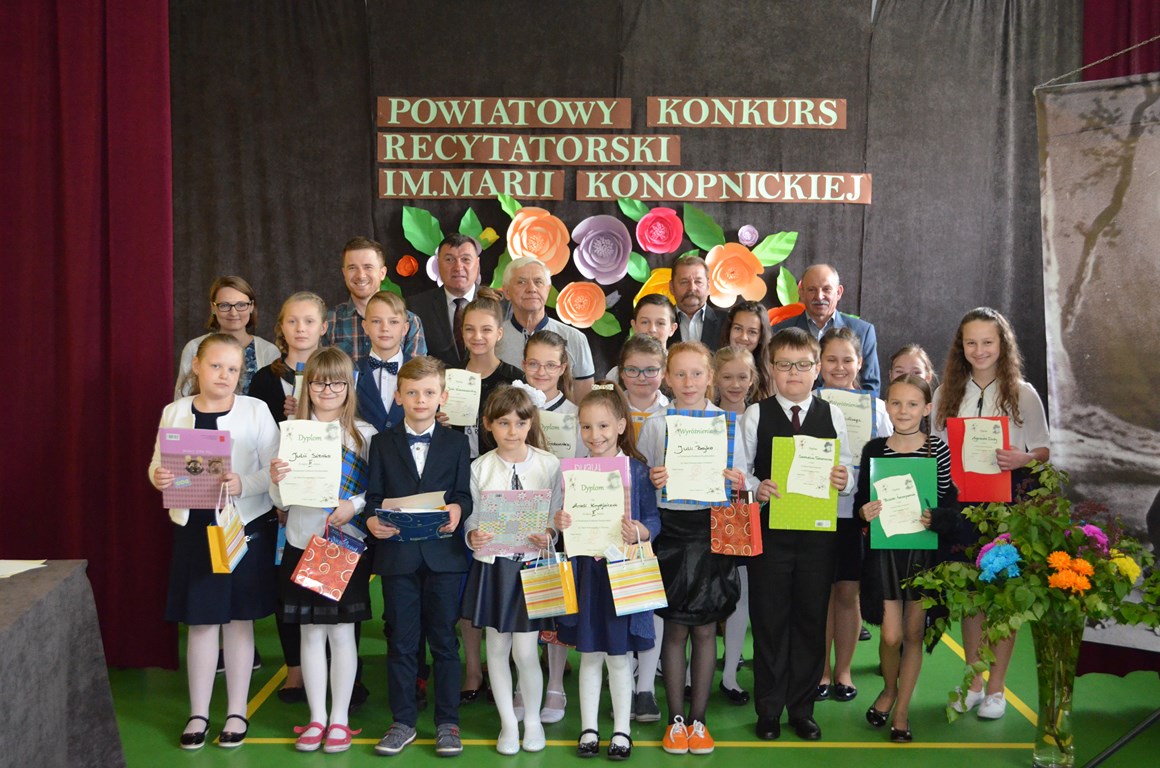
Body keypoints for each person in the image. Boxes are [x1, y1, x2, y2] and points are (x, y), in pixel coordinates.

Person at [149, 333, 279, 750]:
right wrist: (159, 477)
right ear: (196, 366)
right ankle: (198, 713)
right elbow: (158, 465)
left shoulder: (255, 410)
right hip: (194, 529)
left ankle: (237, 710)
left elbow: (275, 470)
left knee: (239, 620)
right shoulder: (174, 411)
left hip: (242, 528)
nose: (224, 375)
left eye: (233, 369)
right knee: (202, 621)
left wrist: (245, 483)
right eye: (216, 366)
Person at [733, 327, 854, 742]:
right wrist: (756, 487)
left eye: (803, 365)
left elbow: (848, 470)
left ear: (817, 369)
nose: (794, 373)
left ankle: (802, 709)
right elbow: (740, 472)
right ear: (771, 368)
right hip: (770, 535)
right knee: (768, 621)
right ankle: (768, 709)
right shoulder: (756, 414)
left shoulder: (832, 414)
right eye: (784, 365)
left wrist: (844, 479)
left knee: (810, 620)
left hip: (818, 537)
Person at [931, 307, 1050, 720]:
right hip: (963, 506)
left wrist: (1023, 458)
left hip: (1008, 505)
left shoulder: (1023, 392)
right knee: (970, 597)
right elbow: (935, 447)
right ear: (960, 347)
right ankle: (974, 683)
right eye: (971, 342)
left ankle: (997, 689)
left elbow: (1044, 449)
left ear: (1002, 344)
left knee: (1003, 595)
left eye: (987, 342)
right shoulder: (945, 392)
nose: (979, 350)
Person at [362, 356, 473, 757]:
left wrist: (459, 509)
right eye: (412, 392)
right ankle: (403, 721)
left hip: (444, 558)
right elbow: (374, 497)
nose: (420, 399)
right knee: (402, 643)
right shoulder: (382, 443)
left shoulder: (458, 443)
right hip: (399, 558)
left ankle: (448, 723)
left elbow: (463, 495)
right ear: (398, 396)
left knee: (444, 642)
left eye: (428, 392)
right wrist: (372, 519)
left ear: (443, 396)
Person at [268, 348, 376, 753]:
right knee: (310, 634)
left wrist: (355, 506)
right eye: (318, 382)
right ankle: (316, 718)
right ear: (306, 385)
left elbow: (376, 490)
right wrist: (276, 479)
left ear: (349, 386)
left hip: (343, 546)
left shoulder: (365, 434)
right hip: (302, 542)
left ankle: (340, 719)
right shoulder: (290, 433)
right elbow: (280, 499)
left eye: (337, 382)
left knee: (343, 633)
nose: (327, 390)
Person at [638, 341, 740, 755]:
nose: (688, 381)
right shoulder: (657, 423)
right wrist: (654, 479)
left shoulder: (726, 423)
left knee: (705, 628)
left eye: (697, 373)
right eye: (679, 373)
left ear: (710, 377)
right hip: (672, 534)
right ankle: (675, 720)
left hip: (711, 531)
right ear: (666, 378)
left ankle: (700, 721)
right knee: (676, 627)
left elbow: (744, 478)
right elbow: (644, 479)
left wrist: (738, 479)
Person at [555, 383, 661, 760]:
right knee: (589, 655)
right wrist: (562, 521)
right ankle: (588, 729)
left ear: (620, 426)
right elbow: (564, 523)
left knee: (618, 656)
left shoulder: (637, 471)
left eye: (602, 426)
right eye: (586, 427)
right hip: (586, 573)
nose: (594, 435)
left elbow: (654, 520)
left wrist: (641, 531)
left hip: (622, 575)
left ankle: (621, 731)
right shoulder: (573, 472)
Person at [460, 386, 563, 754]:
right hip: (495, 567)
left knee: (525, 650)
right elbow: (472, 513)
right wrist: (473, 533)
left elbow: (556, 513)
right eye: (503, 423)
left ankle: (532, 720)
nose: (512, 431)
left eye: (520, 423)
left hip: (533, 567)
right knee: (497, 647)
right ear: (488, 425)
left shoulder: (549, 464)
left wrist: (549, 533)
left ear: (530, 423)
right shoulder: (480, 467)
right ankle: (508, 723)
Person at [857, 374, 957, 743]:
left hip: (923, 553)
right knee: (891, 634)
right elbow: (862, 502)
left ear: (927, 408)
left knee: (914, 632)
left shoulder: (937, 450)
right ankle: (889, 687)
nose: (904, 410)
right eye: (896, 403)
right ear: (886, 406)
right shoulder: (874, 450)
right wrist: (863, 512)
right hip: (885, 555)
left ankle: (901, 710)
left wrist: (938, 518)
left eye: (912, 404)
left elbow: (949, 503)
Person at [248, 291, 328, 703]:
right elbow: (257, 442)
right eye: (292, 321)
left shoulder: (335, 372)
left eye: (309, 321)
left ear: (323, 327)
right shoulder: (265, 378)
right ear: (280, 327)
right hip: (281, 496)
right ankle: (295, 668)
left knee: (326, 582)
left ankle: (333, 664)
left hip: (325, 501)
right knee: (288, 585)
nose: (301, 329)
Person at [814, 328, 892, 706]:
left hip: (855, 515)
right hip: (814, 511)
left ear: (860, 363)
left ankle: (843, 670)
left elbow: (889, 459)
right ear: (819, 363)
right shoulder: (808, 403)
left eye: (847, 360)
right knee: (818, 595)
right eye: (831, 359)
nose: (839, 367)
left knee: (847, 593)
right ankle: (821, 672)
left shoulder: (877, 409)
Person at [518, 331, 581, 724]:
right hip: (519, 524)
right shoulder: (513, 406)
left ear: (563, 367)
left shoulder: (576, 414)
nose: (541, 372)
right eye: (533, 363)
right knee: (521, 607)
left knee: (556, 605)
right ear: (523, 364)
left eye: (550, 364)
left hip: (561, 523)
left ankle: (555, 684)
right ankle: (523, 683)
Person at [712, 345, 760, 707]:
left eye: (742, 377)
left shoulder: (759, 417)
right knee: (701, 594)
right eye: (727, 376)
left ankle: (730, 673)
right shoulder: (702, 416)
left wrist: (749, 483)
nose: (734, 384)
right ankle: (687, 669)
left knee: (740, 594)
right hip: (700, 515)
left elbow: (762, 473)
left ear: (753, 378)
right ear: (714, 378)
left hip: (741, 517)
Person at [771, 264, 880, 397]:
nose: (819, 296)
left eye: (826, 289)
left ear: (838, 292)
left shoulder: (863, 331)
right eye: (812, 290)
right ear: (801, 293)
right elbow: (772, 382)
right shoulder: (779, 331)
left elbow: (870, 386)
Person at [496, 257, 595, 400]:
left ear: (548, 289)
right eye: (521, 282)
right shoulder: (494, 338)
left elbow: (585, 398)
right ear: (507, 292)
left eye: (538, 282)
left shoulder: (575, 338)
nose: (531, 289)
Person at [175, 276, 279, 397]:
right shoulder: (194, 348)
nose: (233, 313)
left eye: (241, 305)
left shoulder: (269, 352)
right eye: (224, 305)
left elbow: (275, 400)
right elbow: (182, 398)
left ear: (251, 307)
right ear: (213, 308)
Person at [324, 236, 425, 362]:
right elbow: (316, 370)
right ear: (344, 273)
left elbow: (417, 373)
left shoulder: (409, 321)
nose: (361, 275)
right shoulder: (329, 321)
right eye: (352, 268)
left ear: (382, 273)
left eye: (368, 267)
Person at [407, 233, 482, 369]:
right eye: (449, 259)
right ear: (438, 264)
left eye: (466, 259)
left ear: (477, 264)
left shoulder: (500, 304)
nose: (458, 267)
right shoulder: (416, 306)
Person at [354, 291, 411, 433]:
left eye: (393, 322)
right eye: (376, 321)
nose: (385, 328)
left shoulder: (421, 373)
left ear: (405, 328)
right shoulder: (351, 371)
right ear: (365, 327)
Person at [607, 294, 678, 382]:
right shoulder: (616, 374)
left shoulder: (681, 370)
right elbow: (599, 388)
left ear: (672, 329)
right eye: (645, 322)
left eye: (660, 323)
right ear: (634, 326)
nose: (652, 329)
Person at [618, 335, 670, 444]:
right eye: (632, 370)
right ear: (622, 372)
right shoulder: (610, 409)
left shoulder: (673, 412)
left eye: (650, 370)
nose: (641, 378)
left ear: (663, 372)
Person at [669, 254, 727, 352]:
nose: (692, 288)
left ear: (708, 286)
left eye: (698, 282)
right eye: (684, 282)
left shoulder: (727, 322)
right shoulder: (661, 323)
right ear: (671, 287)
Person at [722, 301, 775, 400]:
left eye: (752, 332)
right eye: (738, 328)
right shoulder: (712, 368)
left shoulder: (771, 375)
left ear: (761, 337)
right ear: (729, 330)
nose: (743, 337)